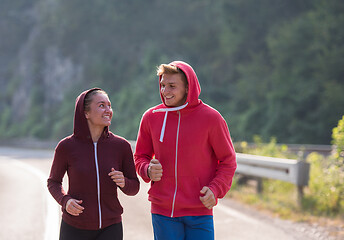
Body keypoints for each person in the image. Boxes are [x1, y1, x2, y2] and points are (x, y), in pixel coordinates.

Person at [134, 61, 237, 240]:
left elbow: (228, 161)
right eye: (163, 85)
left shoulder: (211, 119)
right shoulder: (151, 117)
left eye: (172, 86)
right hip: (163, 211)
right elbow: (140, 156)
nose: (165, 91)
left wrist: (215, 189)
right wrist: (147, 170)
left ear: (188, 87)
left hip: (199, 211)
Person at [48, 88, 139, 240]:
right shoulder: (66, 147)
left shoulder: (121, 146)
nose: (108, 110)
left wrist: (124, 182)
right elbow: (53, 182)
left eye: (109, 105)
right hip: (74, 227)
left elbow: (134, 187)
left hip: (111, 227)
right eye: (101, 105)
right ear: (86, 113)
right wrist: (65, 200)